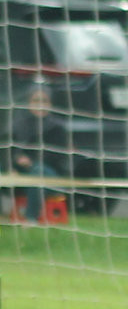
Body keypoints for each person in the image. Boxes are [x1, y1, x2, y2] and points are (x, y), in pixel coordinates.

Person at [10, 84, 70, 224]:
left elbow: (58, 157)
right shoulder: (19, 125)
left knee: (38, 171)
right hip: (22, 173)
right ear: (29, 102)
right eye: (36, 101)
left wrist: (31, 162)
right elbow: (10, 150)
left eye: (44, 101)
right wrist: (14, 162)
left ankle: (31, 219)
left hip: (50, 174)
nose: (40, 105)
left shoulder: (57, 127)